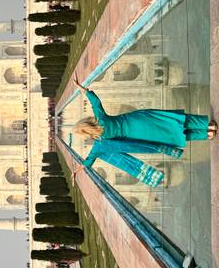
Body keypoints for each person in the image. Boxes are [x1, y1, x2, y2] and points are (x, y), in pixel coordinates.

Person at [71, 74, 217, 187]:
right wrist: (80, 87)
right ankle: (207, 125)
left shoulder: (99, 144)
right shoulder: (100, 119)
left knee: (171, 137)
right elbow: (95, 101)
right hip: (138, 120)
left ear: (86, 135)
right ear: (86, 123)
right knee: (171, 121)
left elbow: (88, 162)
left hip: (140, 135)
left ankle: (207, 134)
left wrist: (76, 171)